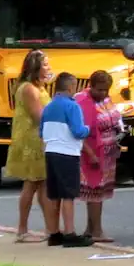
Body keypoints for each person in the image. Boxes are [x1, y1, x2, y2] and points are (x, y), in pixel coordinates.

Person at [4, 50, 57, 242]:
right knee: (31, 184)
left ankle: (50, 229)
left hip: (41, 139)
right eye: (45, 65)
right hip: (32, 140)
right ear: (35, 68)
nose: (49, 68)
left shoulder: (40, 88)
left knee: (43, 185)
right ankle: (22, 229)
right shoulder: (29, 89)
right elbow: (39, 116)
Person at [41, 72, 93, 247]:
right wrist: (88, 129)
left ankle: (54, 233)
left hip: (50, 151)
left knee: (54, 195)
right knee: (68, 195)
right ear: (71, 87)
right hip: (67, 152)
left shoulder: (48, 107)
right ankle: (70, 233)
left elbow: (41, 131)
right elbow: (78, 131)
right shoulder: (72, 106)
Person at [75, 71, 124, 243]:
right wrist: (90, 153)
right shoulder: (83, 102)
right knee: (94, 192)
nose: (104, 93)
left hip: (106, 151)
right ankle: (97, 231)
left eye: (106, 90)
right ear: (91, 85)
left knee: (99, 192)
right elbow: (78, 131)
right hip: (92, 152)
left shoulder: (104, 99)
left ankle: (90, 229)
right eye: (100, 90)